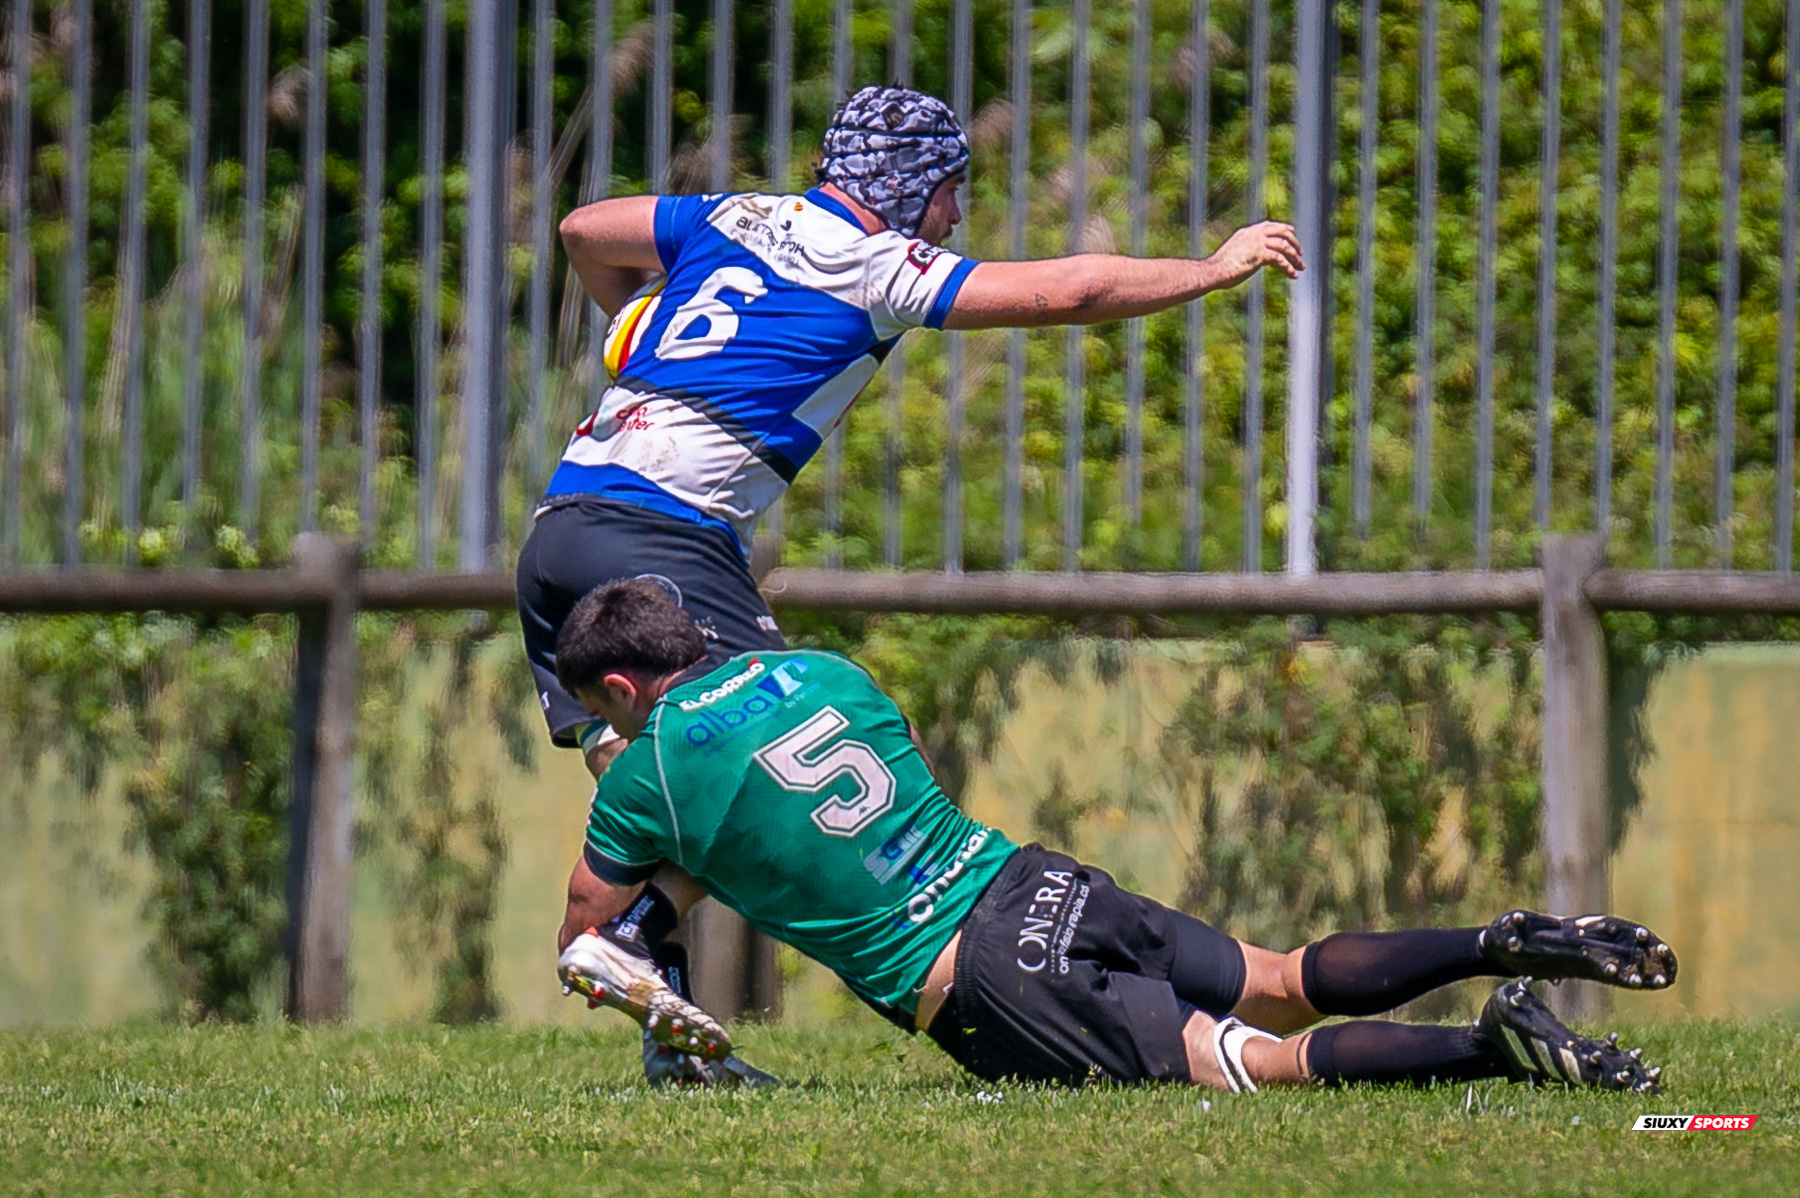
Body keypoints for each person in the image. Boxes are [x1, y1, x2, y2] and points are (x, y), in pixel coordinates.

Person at [520, 83, 1302, 1083]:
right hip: (665, 534)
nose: (958, 216)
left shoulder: (739, 215)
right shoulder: (879, 265)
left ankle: (671, 1043)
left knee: (657, 779)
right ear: (912, 189)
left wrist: (628, 320)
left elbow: (585, 226)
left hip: (561, 526)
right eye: (952, 192)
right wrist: (1209, 269)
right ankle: (618, 936)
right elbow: (1064, 293)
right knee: (772, 742)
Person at [551, 578, 1672, 1093]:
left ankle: (1493, 1048)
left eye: (600, 714)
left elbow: (592, 929)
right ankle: (1495, 939)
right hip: (1030, 879)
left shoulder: (649, 766)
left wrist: (632, 862)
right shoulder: (823, 668)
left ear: (619, 684)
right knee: (1278, 979)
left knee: (1251, 1063)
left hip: (980, 977)